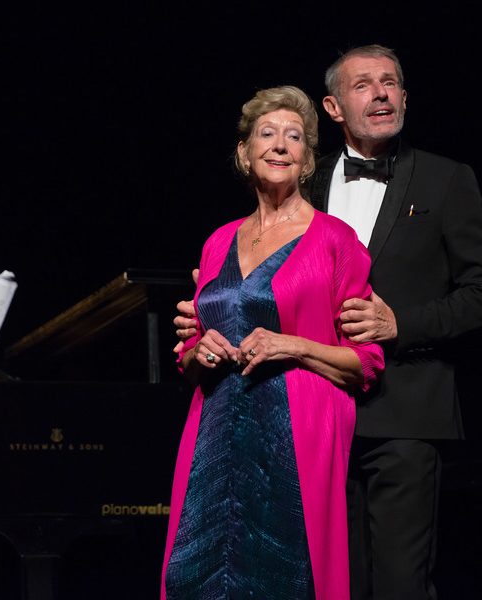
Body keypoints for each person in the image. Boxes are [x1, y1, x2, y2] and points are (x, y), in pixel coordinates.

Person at [173, 45, 482, 600]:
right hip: (306, 416)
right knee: (326, 579)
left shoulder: (447, 179)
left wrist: (400, 324)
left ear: (405, 96)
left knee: (399, 583)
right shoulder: (305, 174)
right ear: (332, 108)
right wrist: (215, 304)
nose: (380, 94)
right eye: (363, 85)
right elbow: (273, 277)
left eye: (390, 82)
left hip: (401, 411)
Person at [161, 85, 384, 600]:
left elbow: (366, 362)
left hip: (296, 433)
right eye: (267, 134)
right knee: (195, 573)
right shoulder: (218, 241)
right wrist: (199, 351)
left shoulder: (335, 240)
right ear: (245, 152)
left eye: (295, 137)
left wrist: (294, 346)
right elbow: (189, 358)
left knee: (285, 575)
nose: (281, 145)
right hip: (215, 433)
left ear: (306, 159)